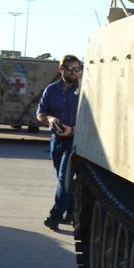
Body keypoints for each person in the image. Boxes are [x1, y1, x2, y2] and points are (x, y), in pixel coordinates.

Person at [37, 54, 82, 231]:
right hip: (56, 140)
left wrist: (73, 129)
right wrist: (49, 119)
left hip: (74, 140)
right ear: (61, 69)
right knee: (62, 178)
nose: (74, 73)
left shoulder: (84, 91)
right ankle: (70, 211)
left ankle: (54, 216)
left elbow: (94, 119)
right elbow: (40, 113)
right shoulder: (51, 90)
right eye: (70, 69)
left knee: (64, 179)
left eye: (77, 69)